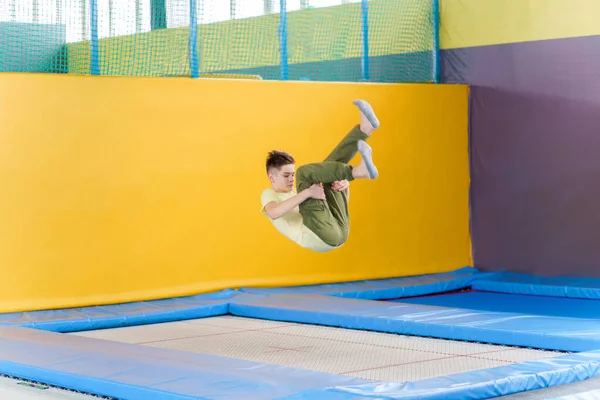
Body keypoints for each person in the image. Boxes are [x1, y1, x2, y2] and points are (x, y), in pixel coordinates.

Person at [260, 99, 380, 252]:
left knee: (328, 174)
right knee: (305, 173)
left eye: (292, 175)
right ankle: (355, 171)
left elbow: (335, 208)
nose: (291, 179)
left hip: (340, 230)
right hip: (317, 236)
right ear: (272, 177)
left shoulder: (298, 193)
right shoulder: (269, 194)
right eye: (286, 175)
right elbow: (274, 213)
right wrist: (308, 192)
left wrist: (344, 187)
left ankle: (364, 131)